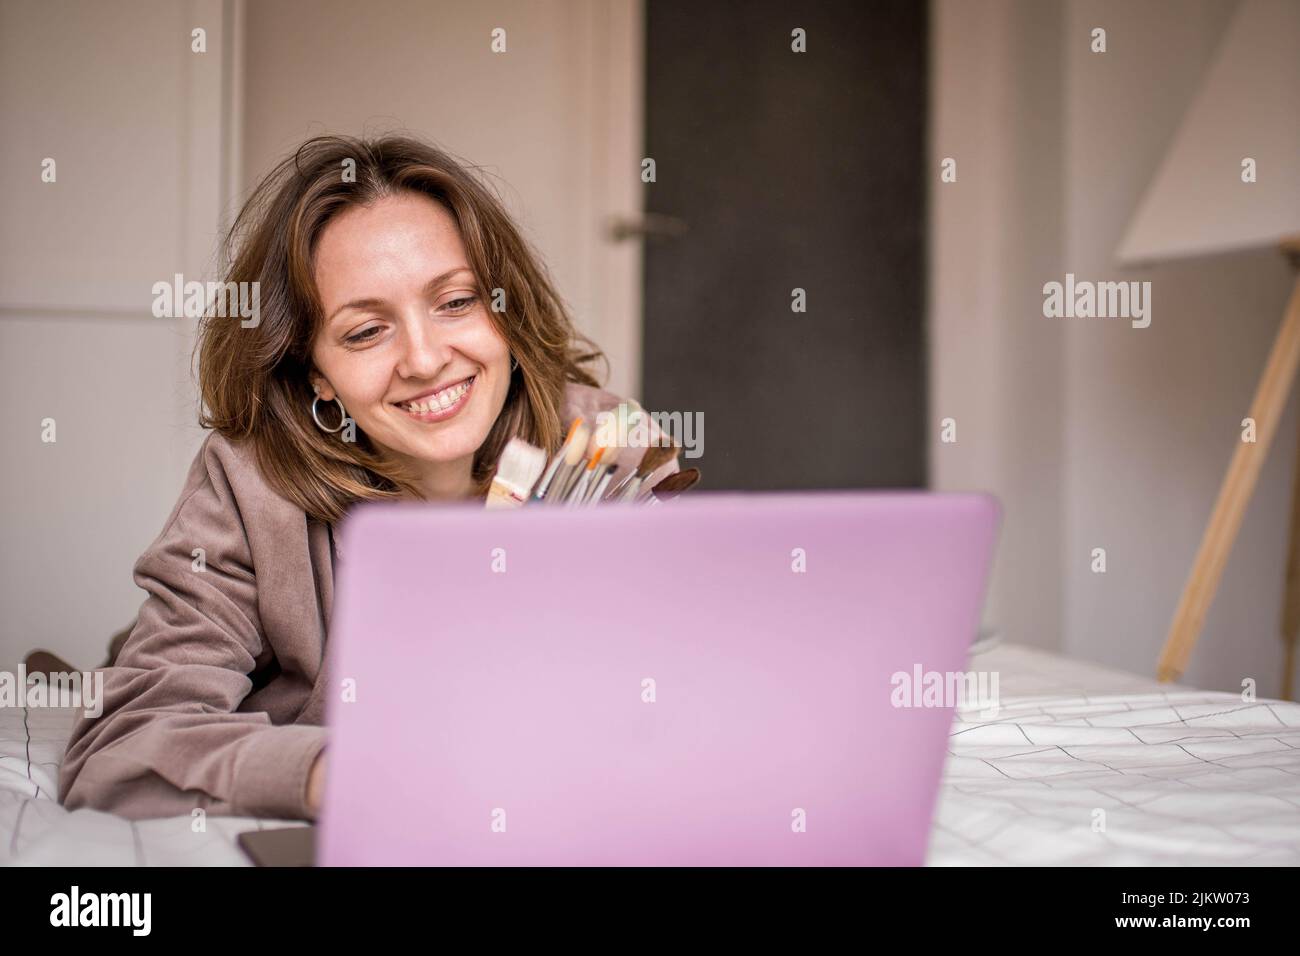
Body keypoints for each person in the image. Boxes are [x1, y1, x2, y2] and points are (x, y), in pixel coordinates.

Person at [57, 135, 678, 821]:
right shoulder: (251, 486)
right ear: (314, 370)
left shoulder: (604, 448)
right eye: (364, 332)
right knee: (104, 676)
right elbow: (123, 745)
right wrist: (350, 778)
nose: (423, 358)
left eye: (457, 302)